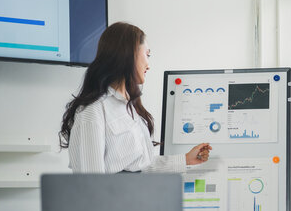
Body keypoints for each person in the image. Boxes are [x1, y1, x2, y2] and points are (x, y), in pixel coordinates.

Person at [59, 22, 212, 173]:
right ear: (129, 54)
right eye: (147, 55)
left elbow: (143, 166)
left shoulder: (129, 108)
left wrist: (185, 159)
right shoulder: (93, 111)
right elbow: (91, 183)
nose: (148, 64)